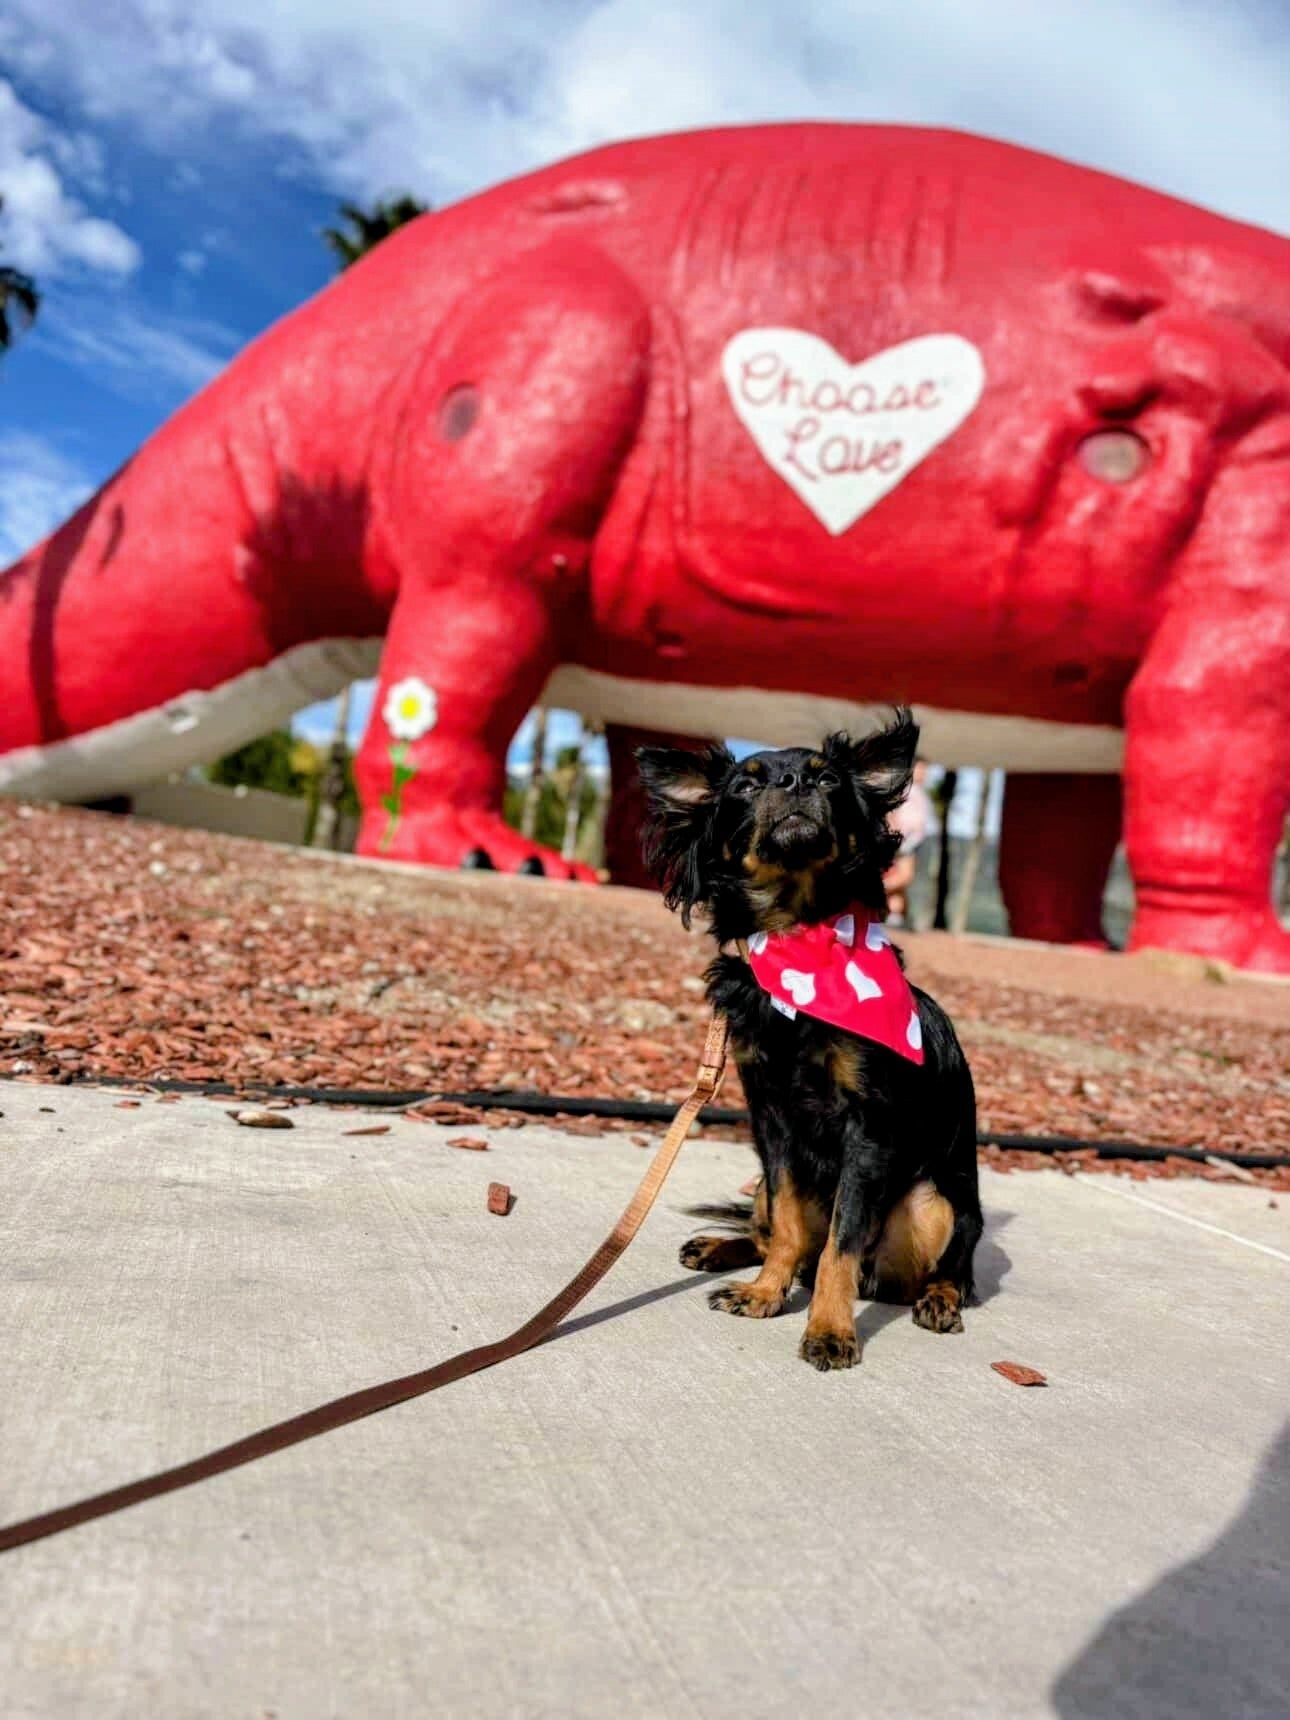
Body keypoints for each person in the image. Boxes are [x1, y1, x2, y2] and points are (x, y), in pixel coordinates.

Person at [883, 759, 933, 927]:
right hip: (903, 840)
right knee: (904, 877)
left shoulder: (919, 791)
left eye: (925, 770)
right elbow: (890, 811)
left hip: (914, 841)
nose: (924, 773)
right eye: (921, 769)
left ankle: (897, 916)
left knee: (900, 880)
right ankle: (869, 893)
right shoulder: (904, 789)